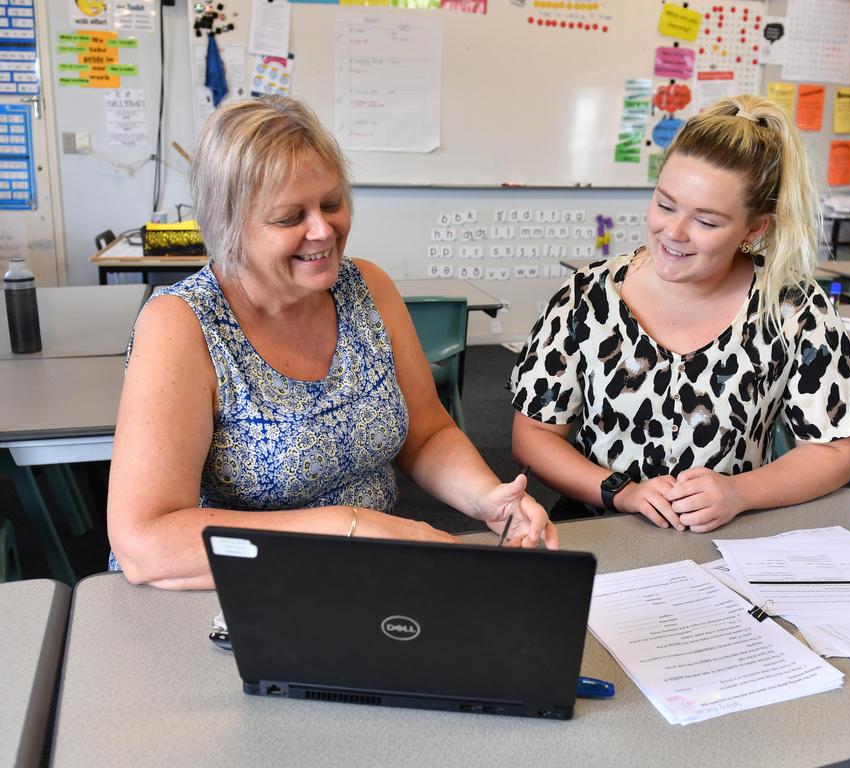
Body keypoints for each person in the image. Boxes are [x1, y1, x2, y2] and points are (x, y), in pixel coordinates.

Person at [108, 96, 556, 590]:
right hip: (239, 589)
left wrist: (484, 496)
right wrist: (351, 530)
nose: (323, 230)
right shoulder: (182, 324)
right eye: (289, 217)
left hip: (363, 576)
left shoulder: (366, 287)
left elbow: (426, 432)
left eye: (332, 203)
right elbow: (145, 543)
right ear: (228, 224)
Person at [510, 94, 850, 534]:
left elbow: (834, 450)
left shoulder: (792, 308)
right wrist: (620, 491)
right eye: (665, 205)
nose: (674, 233)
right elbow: (534, 436)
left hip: (729, 537)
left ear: (755, 228)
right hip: (601, 528)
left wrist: (740, 492)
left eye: (706, 221)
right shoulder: (588, 296)